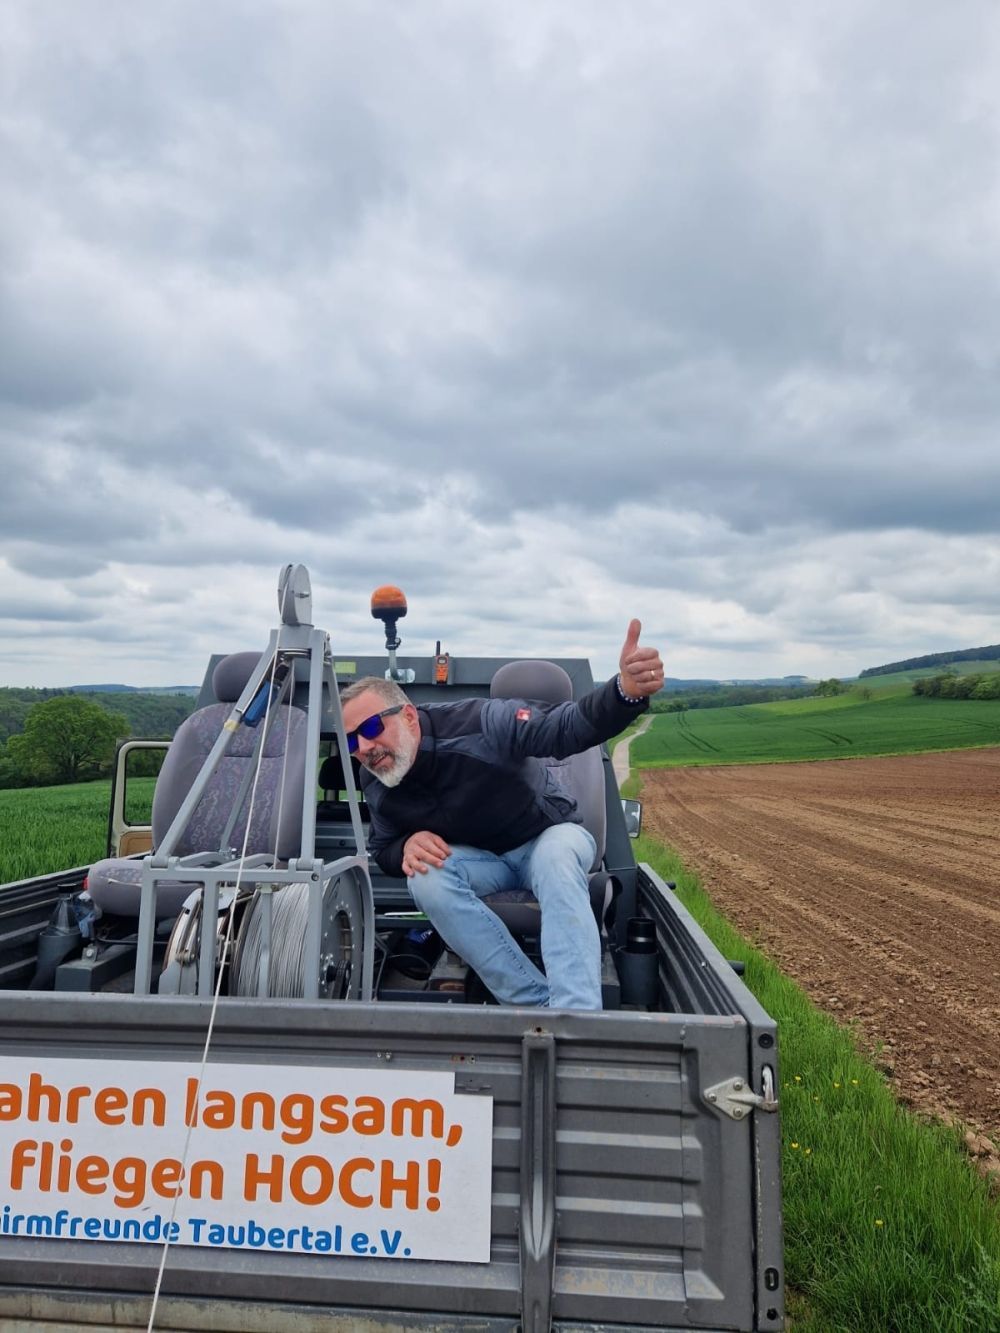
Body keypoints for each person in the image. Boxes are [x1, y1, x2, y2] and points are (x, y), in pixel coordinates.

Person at [339, 620, 663, 1010]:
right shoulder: (375, 777)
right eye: (350, 739)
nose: (364, 746)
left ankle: (577, 1014)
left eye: (372, 727)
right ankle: (534, 1004)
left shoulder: (481, 722)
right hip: (484, 863)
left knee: (555, 857)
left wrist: (622, 694)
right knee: (425, 878)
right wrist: (406, 845)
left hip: (548, 838)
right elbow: (383, 849)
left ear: (408, 716)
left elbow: (565, 727)